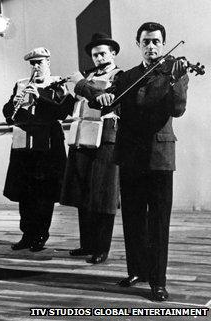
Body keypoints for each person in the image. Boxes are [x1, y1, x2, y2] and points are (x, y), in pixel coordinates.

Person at [95, 22, 188, 301]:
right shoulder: (128, 76)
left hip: (159, 156)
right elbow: (107, 101)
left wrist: (174, 81)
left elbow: (178, 109)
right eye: (146, 41)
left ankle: (158, 281)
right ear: (138, 44)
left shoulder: (175, 72)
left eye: (156, 41)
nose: (151, 46)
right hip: (130, 155)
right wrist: (103, 96)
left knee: (158, 221)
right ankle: (137, 270)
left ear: (163, 43)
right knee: (133, 217)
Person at [3, 47, 75, 252]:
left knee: (44, 193)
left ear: (48, 62)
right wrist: (14, 104)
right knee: (25, 193)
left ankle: (41, 234)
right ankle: (27, 234)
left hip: (48, 147)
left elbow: (62, 112)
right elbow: (8, 114)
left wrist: (40, 96)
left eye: (39, 62)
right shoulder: (21, 84)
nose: (36, 67)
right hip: (24, 146)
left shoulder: (58, 83)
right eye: (32, 63)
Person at [60, 33, 122, 264]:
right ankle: (87, 244)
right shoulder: (86, 78)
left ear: (113, 53)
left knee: (103, 195)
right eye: (95, 55)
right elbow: (70, 107)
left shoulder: (120, 76)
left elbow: (109, 100)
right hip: (81, 137)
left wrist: (80, 84)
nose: (98, 58)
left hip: (106, 138)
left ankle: (101, 248)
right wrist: (65, 91)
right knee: (83, 193)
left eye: (102, 53)